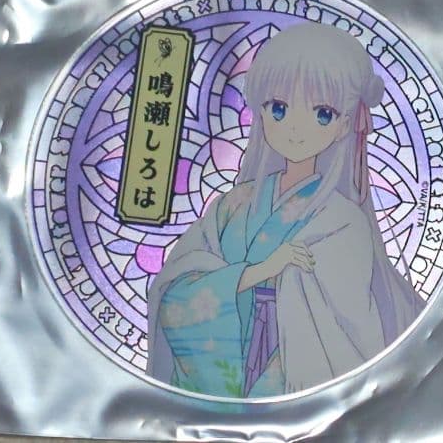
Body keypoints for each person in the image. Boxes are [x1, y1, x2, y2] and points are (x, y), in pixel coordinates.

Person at [146, 22, 424, 397]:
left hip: (283, 380)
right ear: (260, 113)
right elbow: (175, 287)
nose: (295, 128)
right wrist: (263, 270)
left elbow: (348, 327)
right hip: (222, 372)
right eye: (279, 109)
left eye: (322, 113)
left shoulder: (343, 221)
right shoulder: (233, 204)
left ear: (345, 124)